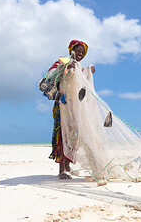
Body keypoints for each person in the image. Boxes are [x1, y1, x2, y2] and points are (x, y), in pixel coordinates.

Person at [47, 40, 95, 179]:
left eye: (83, 53)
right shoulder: (62, 61)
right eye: (78, 51)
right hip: (62, 106)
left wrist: (88, 71)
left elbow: (82, 84)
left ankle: (68, 166)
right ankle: (61, 170)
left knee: (74, 136)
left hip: (75, 107)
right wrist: (65, 67)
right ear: (71, 50)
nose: (80, 54)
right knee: (62, 135)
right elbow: (51, 75)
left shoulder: (79, 67)